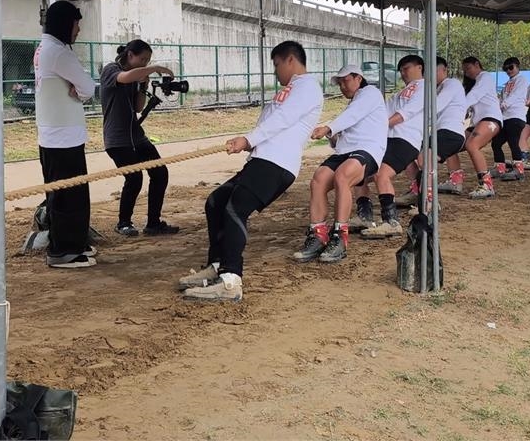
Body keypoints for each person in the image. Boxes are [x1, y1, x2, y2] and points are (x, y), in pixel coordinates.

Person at [178, 41, 323, 301]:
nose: (276, 71)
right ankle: (217, 266)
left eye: (277, 65)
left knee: (236, 208)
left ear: (290, 60)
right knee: (216, 202)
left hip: (277, 163)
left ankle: (231, 281)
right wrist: (251, 145)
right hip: (262, 160)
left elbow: (283, 119)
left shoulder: (307, 86)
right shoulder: (291, 89)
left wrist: (248, 139)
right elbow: (271, 119)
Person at [293, 64, 387, 264]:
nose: (343, 86)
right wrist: (331, 135)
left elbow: (351, 117)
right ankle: (318, 233)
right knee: (318, 179)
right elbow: (342, 133)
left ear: (358, 78)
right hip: (345, 151)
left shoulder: (370, 93)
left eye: (346, 80)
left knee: (342, 176)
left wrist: (329, 127)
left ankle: (340, 236)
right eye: (340, 83)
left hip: (367, 150)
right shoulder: (352, 104)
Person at [35, 0, 97, 269]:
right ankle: (64, 251)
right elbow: (88, 87)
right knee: (70, 196)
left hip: (53, 135)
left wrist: (77, 88)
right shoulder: (60, 53)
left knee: (61, 194)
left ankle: (73, 243)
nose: (79, 29)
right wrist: (80, 90)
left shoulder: (44, 48)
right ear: (65, 24)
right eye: (76, 23)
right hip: (64, 137)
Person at [100, 39, 180, 237]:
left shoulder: (136, 77)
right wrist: (152, 69)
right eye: (142, 59)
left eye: (148, 60)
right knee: (134, 177)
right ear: (130, 55)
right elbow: (124, 77)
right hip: (117, 139)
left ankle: (153, 223)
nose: (145, 64)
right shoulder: (111, 69)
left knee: (160, 173)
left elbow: (137, 107)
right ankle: (123, 222)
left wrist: (143, 85)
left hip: (137, 136)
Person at [358, 54, 425, 239]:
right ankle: (365, 216)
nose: (403, 73)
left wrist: (381, 125)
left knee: (382, 174)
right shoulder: (398, 94)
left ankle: (391, 221)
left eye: (406, 69)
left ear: (419, 67)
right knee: (360, 174)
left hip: (406, 139)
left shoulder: (425, 88)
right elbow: (382, 113)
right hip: (388, 139)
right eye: (401, 71)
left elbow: (406, 113)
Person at [396, 58, 466, 198]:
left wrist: (409, 118)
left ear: (444, 70)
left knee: (425, 158)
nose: (431, 75)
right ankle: (418, 189)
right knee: (409, 151)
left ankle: (428, 200)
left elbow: (434, 107)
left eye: (435, 71)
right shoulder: (435, 88)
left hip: (450, 131)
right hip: (440, 131)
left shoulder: (452, 84)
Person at [459, 56, 503, 199]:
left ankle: (486, 184)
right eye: (464, 71)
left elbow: (474, 96)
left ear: (477, 64)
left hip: (491, 119)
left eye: (468, 68)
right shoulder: (476, 82)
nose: (466, 73)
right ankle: (455, 180)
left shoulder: (485, 77)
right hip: (478, 121)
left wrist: (458, 108)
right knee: (453, 141)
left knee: (472, 145)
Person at [490, 57, 529, 181]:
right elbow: (501, 98)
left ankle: (519, 169)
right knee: (496, 142)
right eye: (505, 69)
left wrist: (503, 105)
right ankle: (500, 167)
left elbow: (516, 95)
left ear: (517, 66)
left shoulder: (521, 80)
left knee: (514, 142)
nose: (508, 70)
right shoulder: (506, 84)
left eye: (511, 67)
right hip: (504, 117)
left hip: (515, 116)